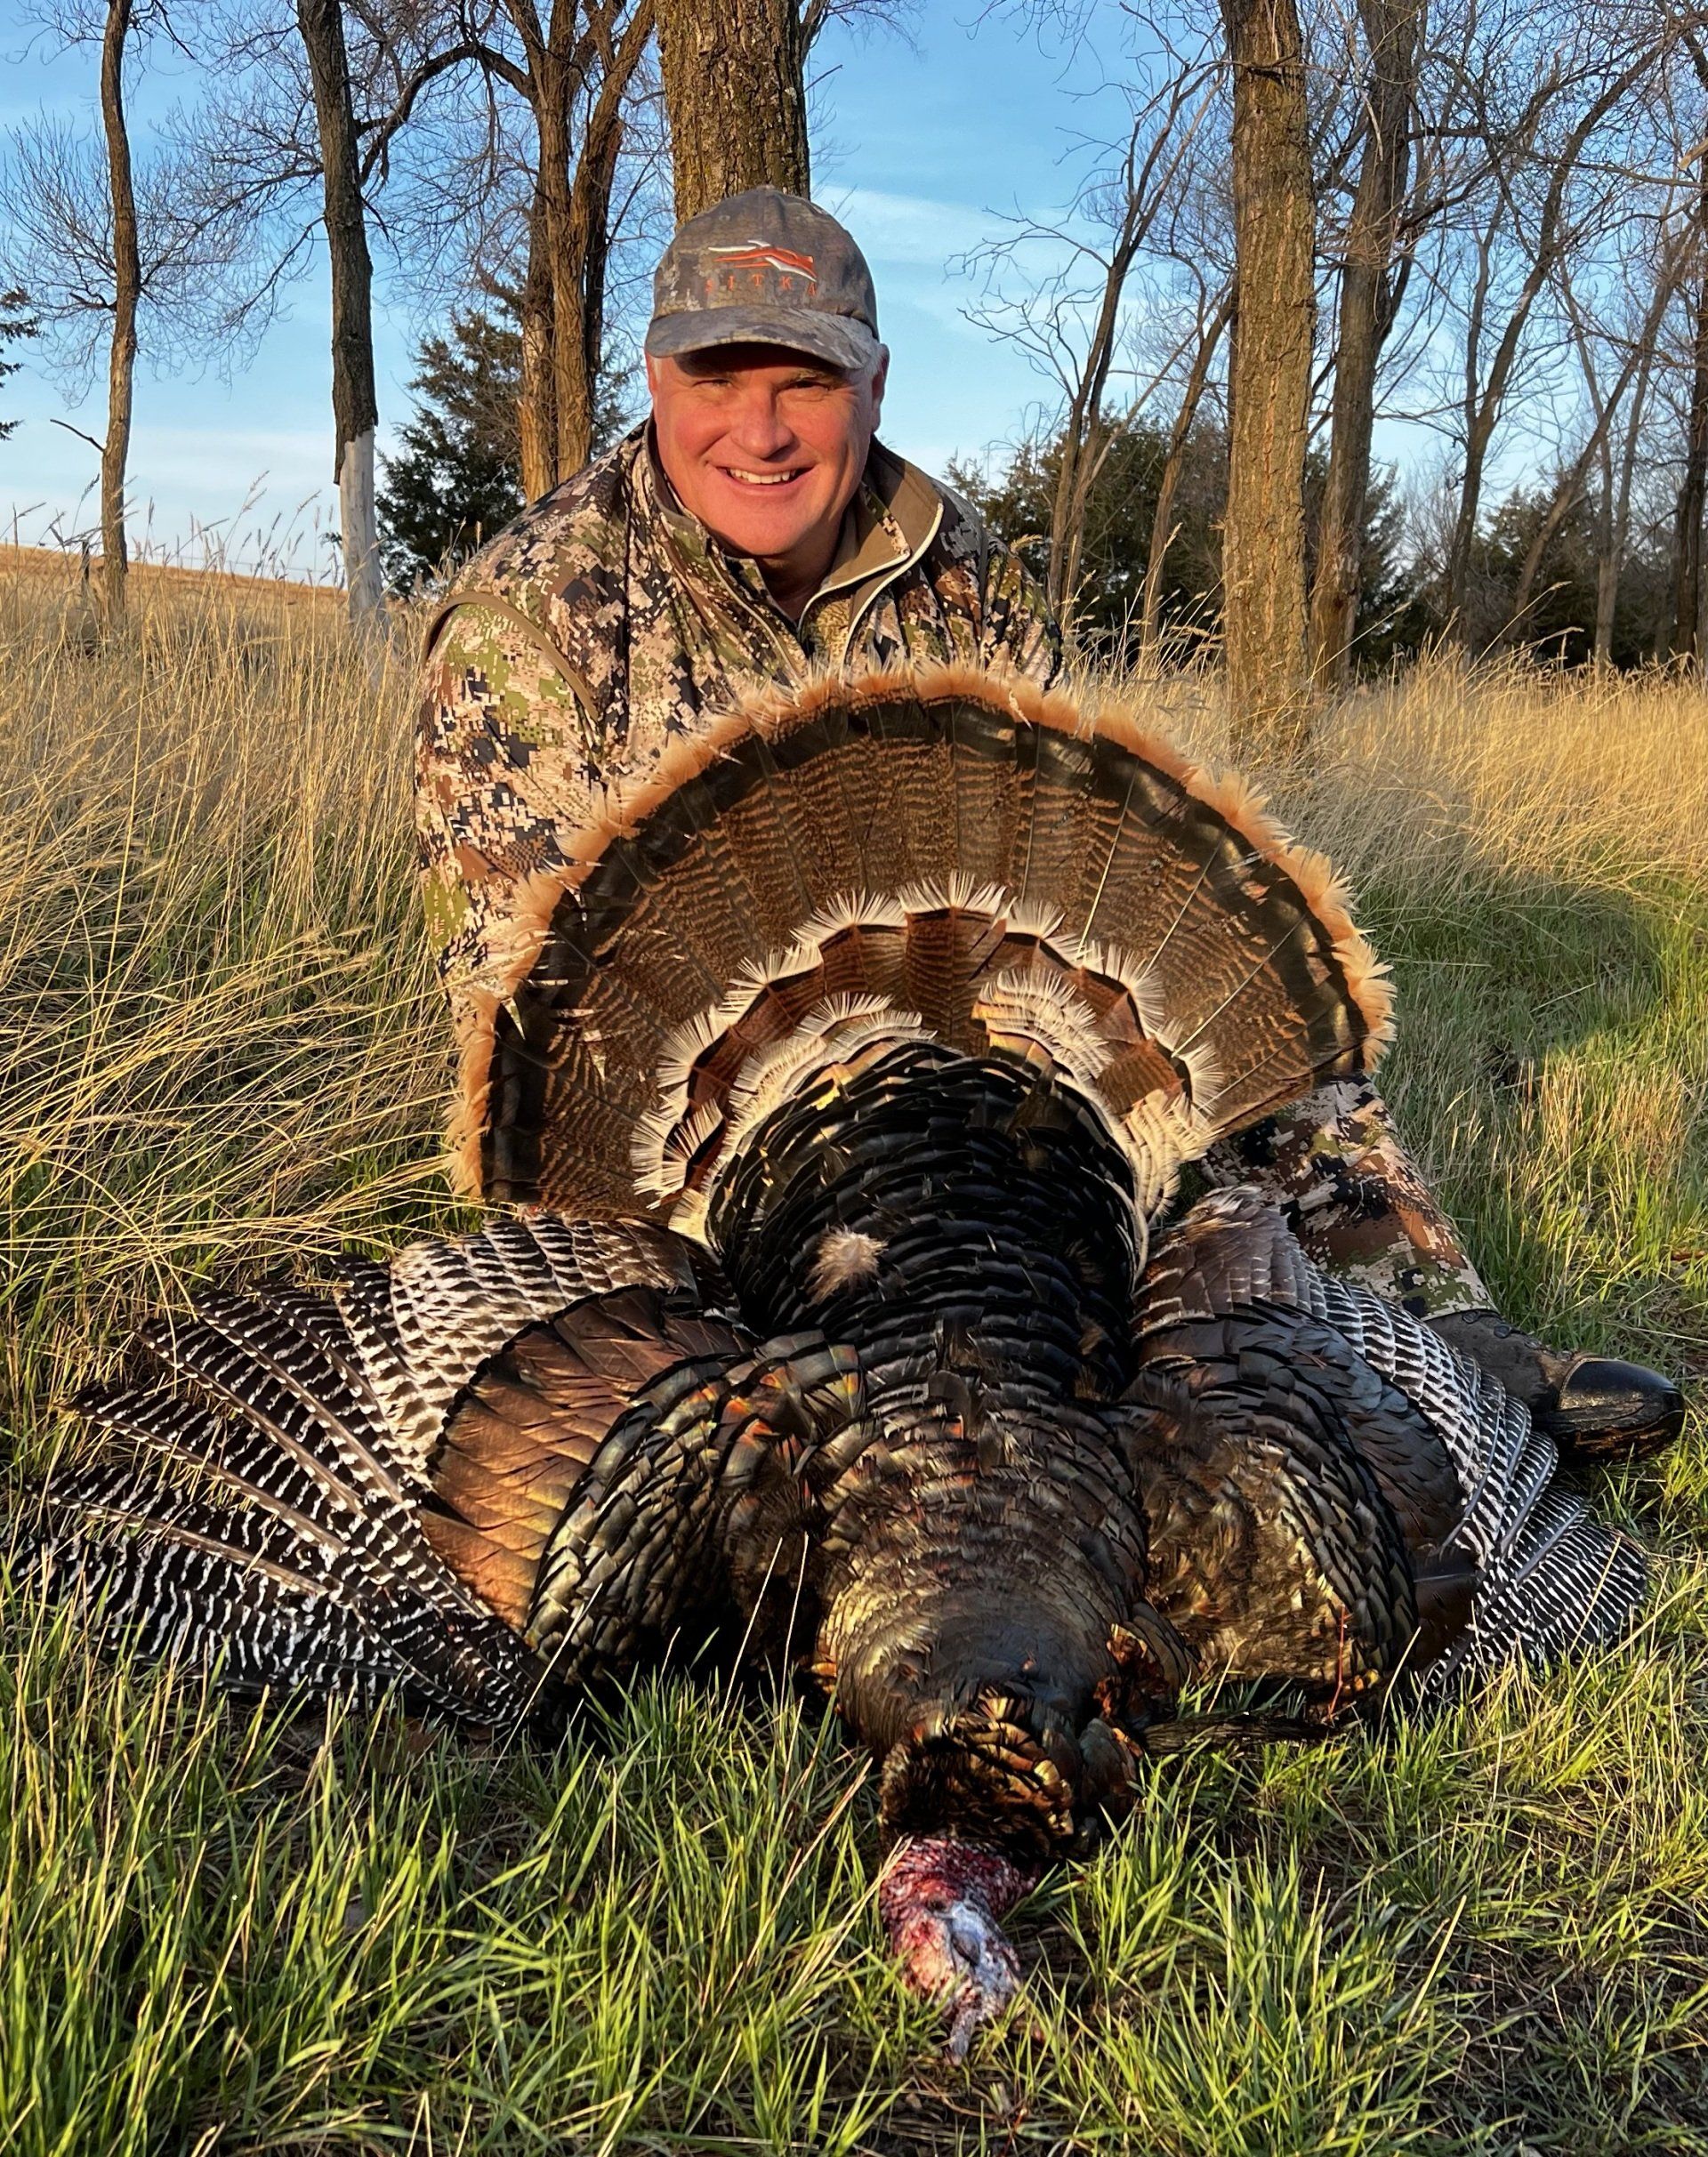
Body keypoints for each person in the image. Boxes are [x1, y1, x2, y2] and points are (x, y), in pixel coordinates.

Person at [417, 186, 1682, 1459]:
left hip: (982, 1096)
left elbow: (1088, 888)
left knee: (1219, 1016)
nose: (759, 426)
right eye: (717, 374)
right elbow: (537, 1032)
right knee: (637, 1410)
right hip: (709, 1169)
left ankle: (1433, 1343)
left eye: (804, 380)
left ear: (875, 387)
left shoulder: (962, 569)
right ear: (653, 376)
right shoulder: (529, 623)